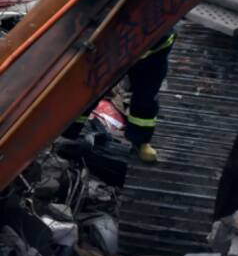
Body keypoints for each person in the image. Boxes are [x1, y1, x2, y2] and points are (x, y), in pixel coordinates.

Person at [63, 32, 176, 162]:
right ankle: (67, 133)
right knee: (90, 91)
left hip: (154, 52)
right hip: (116, 48)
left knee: (146, 100)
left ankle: (140, 141)